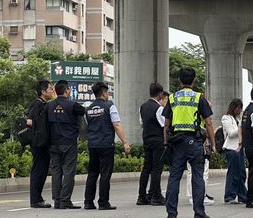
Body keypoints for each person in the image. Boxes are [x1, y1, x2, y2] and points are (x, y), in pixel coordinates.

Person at [163, 67, 215, 218]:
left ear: (180, 80)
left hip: (176, 142)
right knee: (197, 177)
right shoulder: (199, 98)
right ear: (193, 80)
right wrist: (213, 144)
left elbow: (166, 124)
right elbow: (209, 123)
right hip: (194, 142)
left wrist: (166, 143)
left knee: (174, 178)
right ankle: (199, 212)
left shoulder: (172, 98)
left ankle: (171, 214)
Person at [84, 81, 131, 210]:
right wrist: (125, 142)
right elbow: (116, 125)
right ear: (104, 93)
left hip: (92, 144)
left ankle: (88, 202)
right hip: (106, 144)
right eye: (108, 92)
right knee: (105, 174)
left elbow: (89, 126)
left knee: (92, 173)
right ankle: (103, 202)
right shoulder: (109, 106)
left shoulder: (88, 109)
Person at [47, 79, 85, 209]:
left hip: (53, 143)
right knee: (68, 171)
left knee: (56, 172)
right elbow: (83, 112)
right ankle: (65, 200)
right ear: (67, 91)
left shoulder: (49, 106)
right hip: (69, 143)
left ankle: (57, 200)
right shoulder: (73, 105)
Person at [26, 80, 55, 208]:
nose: (52, 90)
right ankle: (35, 200)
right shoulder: (37, 104)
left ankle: (37, 198)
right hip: (38, 143)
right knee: (38, 170)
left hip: (42, 143)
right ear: (43, 92)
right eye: (50, 88)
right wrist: (40, 131)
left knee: (42, 170)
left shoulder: (43, 104)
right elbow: (29, 122)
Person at [137, 82, 166, 206]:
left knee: (146, 168)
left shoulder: (142, 107)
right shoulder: (159, 108)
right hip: (157, 141)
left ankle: (142, 196)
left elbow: (142, 123)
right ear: (160, 94)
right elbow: (164, 125)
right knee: (156, 169)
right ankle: (156, 196)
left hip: (146, 140)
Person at [222, 98, 247, 204]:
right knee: (233, 173)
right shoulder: (226, 118)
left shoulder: (240, 118)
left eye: (241, 108)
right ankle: (229, 196)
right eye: (238, 108)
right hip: (231, 148)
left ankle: (243, 196)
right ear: (233, 108)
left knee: (241, 173)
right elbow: (231, 133)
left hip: (240, 148)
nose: (240, 110)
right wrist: (241, 126)